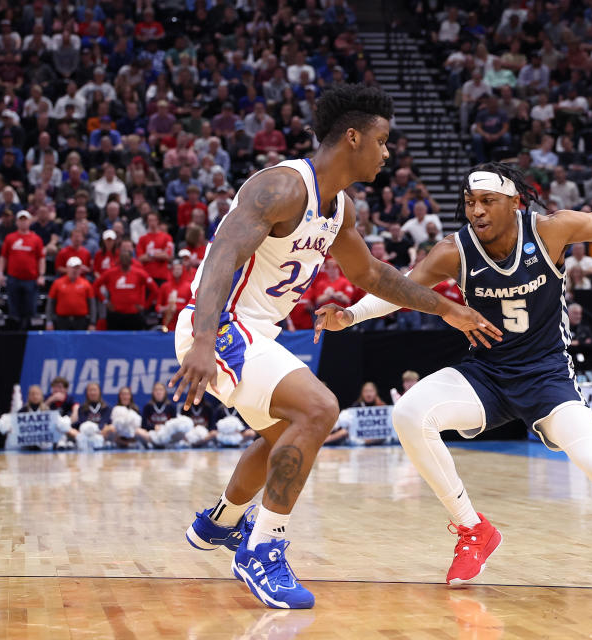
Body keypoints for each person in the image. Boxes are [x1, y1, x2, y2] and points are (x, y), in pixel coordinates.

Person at [318, 162, 592, 594]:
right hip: (487, 374)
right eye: (470, 202)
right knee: (410, 412)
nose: (477, 211)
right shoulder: (455, 251)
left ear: (514, 201)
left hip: (547, 376)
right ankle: (473, 529)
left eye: (488, 201)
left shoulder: (551, 230)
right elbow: (405, 289)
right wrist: (351, 315)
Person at [172, 85, 498, 610]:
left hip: (254, 332)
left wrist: (447, 308)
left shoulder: (339, 208)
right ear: (353, 137)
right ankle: (263, 551)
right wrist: (205, 340)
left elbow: (371, 273)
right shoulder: (280, 186)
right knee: (320, 408)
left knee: (285, 434)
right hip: (222, 326)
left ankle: (221, 524)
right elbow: (221, 259)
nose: (387, 152)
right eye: (382, 140)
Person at [0, 210, 45, 328]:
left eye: (25, 220)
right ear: (17, 222)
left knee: (29, 309)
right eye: (21, 220)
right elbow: (3, 257)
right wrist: (0, 273)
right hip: (13, 278)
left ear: (29, 222)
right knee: (14, 310)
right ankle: (15, 334)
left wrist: (41, 275)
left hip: (30, 279)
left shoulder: (36, 239)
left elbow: (41, 258)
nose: (23, 223)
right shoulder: (10, 238)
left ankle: (27, 333)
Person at [46, 257, 96, 330]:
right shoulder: (57, 283)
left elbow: (92, 305)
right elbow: (50, 304)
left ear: (80, 270)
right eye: (72, 267)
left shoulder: (86, 284)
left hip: (80, 321)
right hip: (62, 320)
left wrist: (92, 323)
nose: (74, 270)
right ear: (67, 268)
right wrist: (49, 322)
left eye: (77, 268)